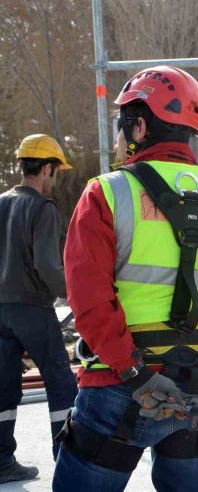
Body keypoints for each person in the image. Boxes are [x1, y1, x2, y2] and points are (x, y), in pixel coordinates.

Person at [52, 66, 198, 491]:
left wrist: (132, 371)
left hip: (122, 380)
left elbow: (89, 300)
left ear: (138, 125)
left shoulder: (107, 193)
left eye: (122, 126)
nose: (119, 138)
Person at [0, 134, 77, 483]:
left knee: (2, 385)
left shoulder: (1, 202)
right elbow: (47, 265)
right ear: (47, 169)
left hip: (0, 310)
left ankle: (2, 461)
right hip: (32, 308)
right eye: (56, 171)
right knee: (61, 382)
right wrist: (75, 293)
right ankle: (68, 462)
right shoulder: (42, 208)